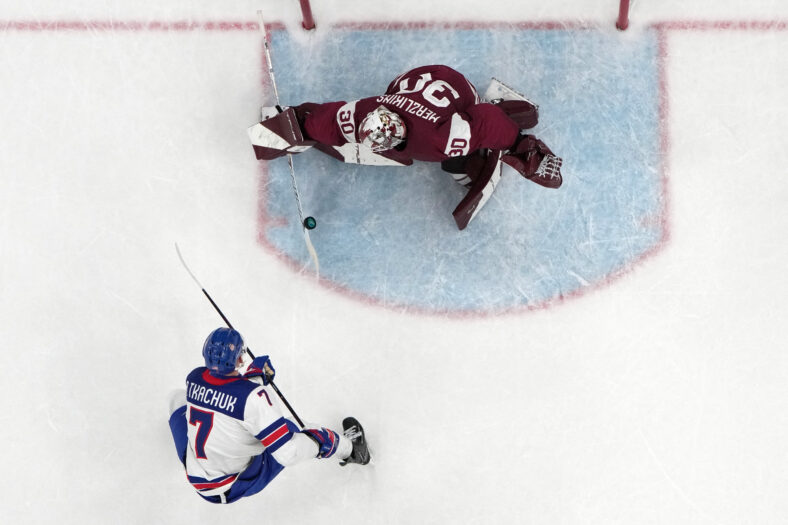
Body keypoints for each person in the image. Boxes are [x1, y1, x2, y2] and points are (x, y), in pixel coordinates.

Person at [248, 64, 563, 191]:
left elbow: (485, 120)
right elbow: (325, 120)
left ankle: (470, 164)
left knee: (456, 158)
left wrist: (519, 145)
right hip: (415, 80)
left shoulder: (438, 140)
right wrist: (295, 126)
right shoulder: (366, 112)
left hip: (458, 88)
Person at [167, 327, 370, 504]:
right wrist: (320, 443)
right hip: (231, 485)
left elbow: (225, 394)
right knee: (294, 426)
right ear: (240, 359)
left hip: (195, 470)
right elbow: (287, 453)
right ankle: (353, 451)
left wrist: (253, 378)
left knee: (177, 399)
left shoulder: (194, 377)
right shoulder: (254, 398)